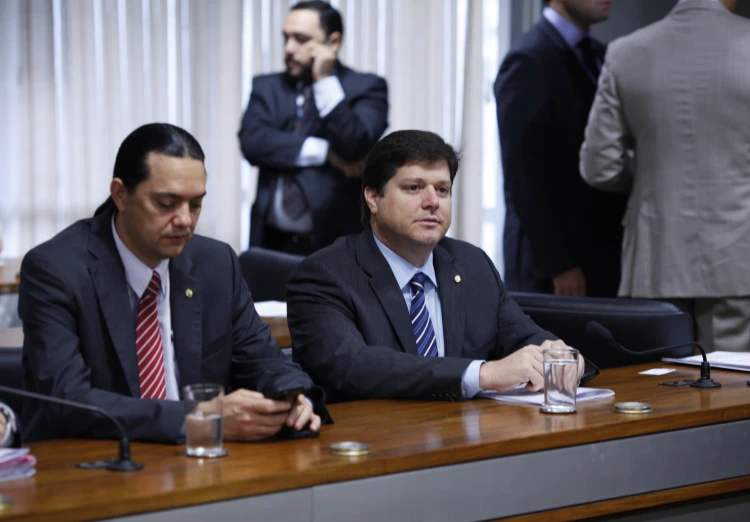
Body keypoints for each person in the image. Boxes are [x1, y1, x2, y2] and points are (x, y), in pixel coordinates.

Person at [18, 123, 328, 443]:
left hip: (201, 463)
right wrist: (200, 417)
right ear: (120, 195)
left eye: (196, 205)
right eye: (166, 204)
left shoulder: (216, 263)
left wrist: (294, 397)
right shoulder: (56, 270)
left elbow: (264, 360)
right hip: (94, 464)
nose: (185, 220)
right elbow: (68, 400)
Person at [287, 130, 591, 402]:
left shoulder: (472, 264)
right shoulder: (325, 275)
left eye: (442, 190)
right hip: (371, 446)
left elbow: (522, 335)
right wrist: (482, 375)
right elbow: (353, 366)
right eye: (413, 188)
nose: (433, 201)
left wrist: (556, 355)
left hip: (468, 440)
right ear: (373, 198)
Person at [580, 0, 750, 352]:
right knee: (734, 393)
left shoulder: (625, 51)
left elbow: (599, 165)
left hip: (656, 253)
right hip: (743, 256)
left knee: (662, 387)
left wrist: (650, 177)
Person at [494, 0, 625, 297]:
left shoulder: (599, 54)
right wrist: (559, 264)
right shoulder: (528, 58)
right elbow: (522, 176)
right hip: (552, 269)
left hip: (599, 256)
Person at [239, 0, 388, 255]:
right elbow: (253, 143)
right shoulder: (267, 87)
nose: (288, 48)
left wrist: (325, 80)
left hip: (335, 243)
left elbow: (354, 145)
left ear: (332, 43)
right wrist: (326, 153)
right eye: (286, 38)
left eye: (301, 39)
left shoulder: (367, 87)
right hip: (270, 240)